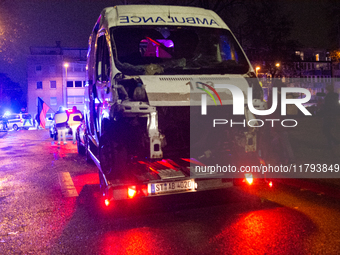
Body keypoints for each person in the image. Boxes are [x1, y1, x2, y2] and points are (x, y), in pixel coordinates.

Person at [321, 85, 340, 150]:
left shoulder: (328, 97)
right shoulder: (335, 96)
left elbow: (326, 107)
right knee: (327, 130)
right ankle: (332, 142)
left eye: (326, 90)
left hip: (328, 115)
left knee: (326, 130)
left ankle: (332, 143)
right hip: (333, 115)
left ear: (327, 90)